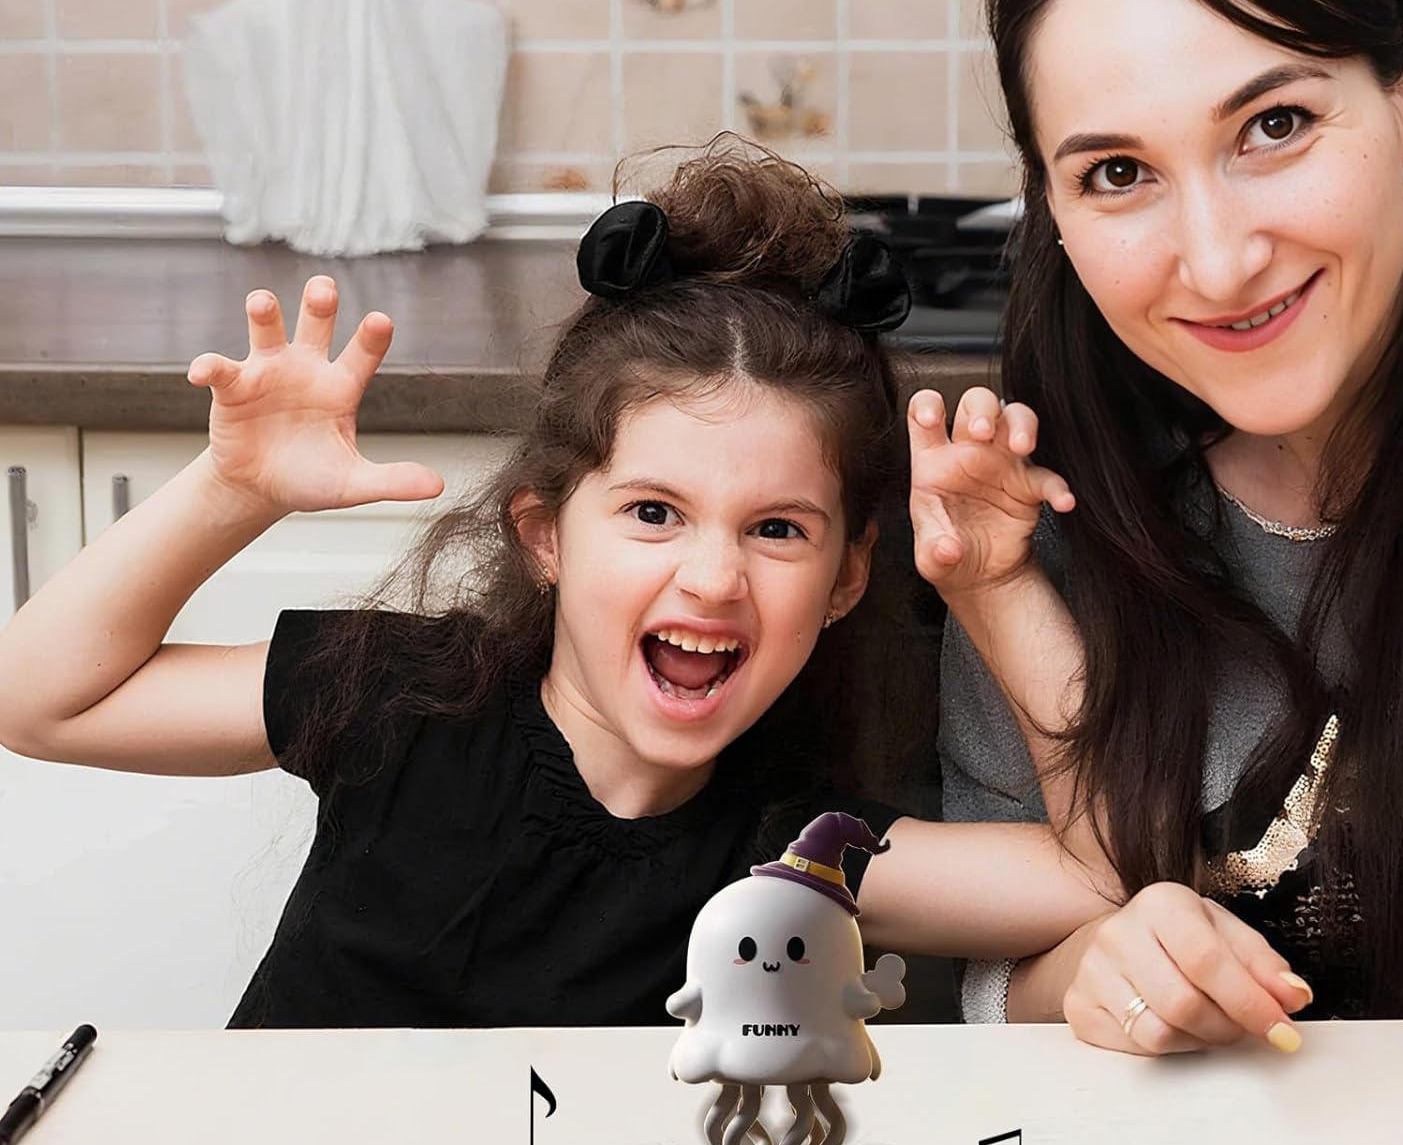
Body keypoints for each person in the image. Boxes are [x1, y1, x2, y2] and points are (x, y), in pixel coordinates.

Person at [0, 140, 1116, 1029]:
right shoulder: (401, 693)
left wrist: (996, 582)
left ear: (845, 580)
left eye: (777, 529)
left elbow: (1100, 879)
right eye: (653, 513)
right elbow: (37, 700)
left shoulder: (796, 851)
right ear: (545, 537)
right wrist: (231, 490)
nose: (713, 576)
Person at [921, 0, 1403, 1054]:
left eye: (1274, 125)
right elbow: (1004, 981)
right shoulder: (1040, 512)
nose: (1220, 262)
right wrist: (1104, 973)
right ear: (1052, 206)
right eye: (1117, 174)